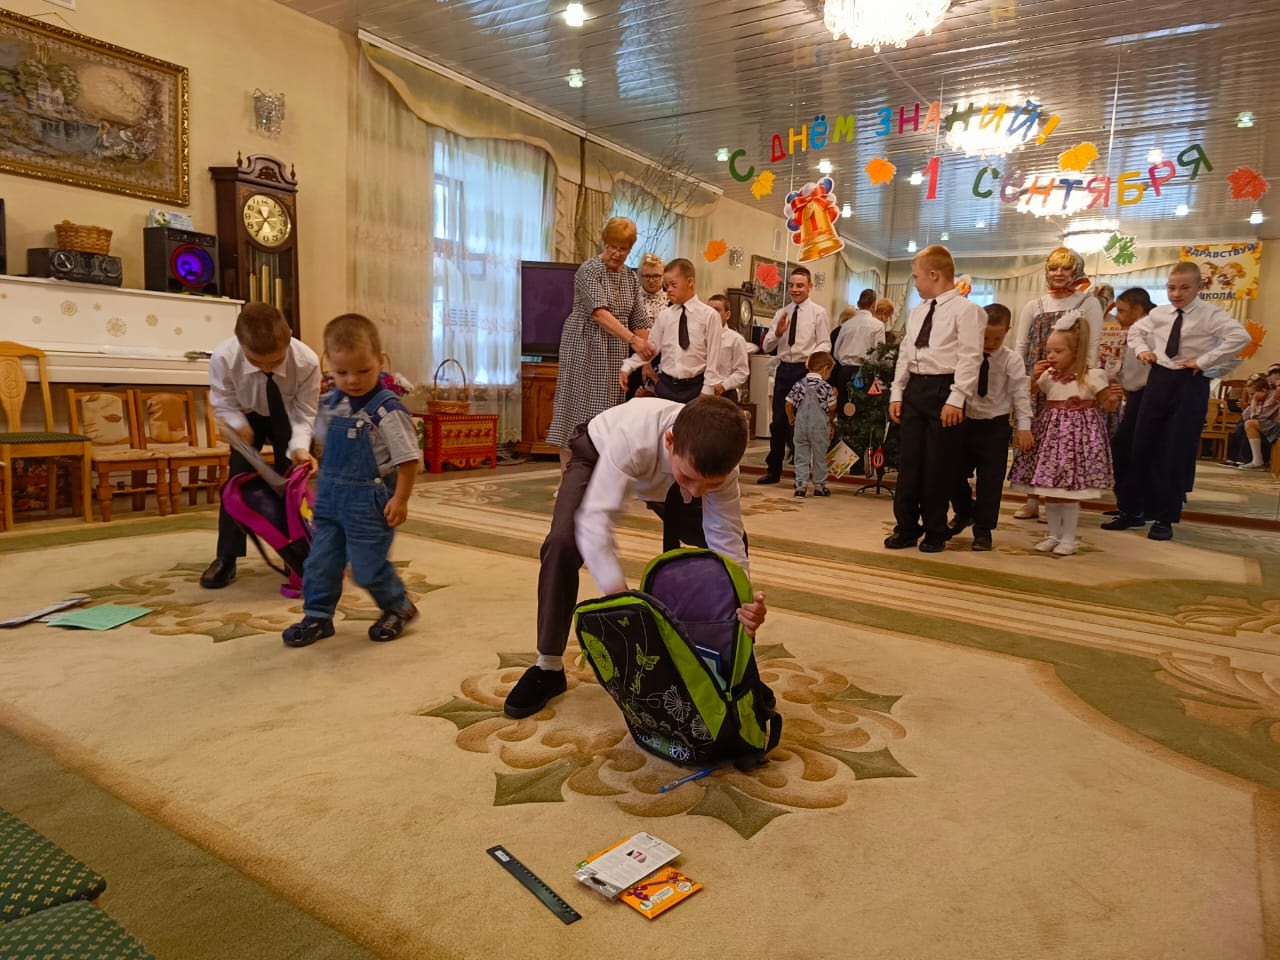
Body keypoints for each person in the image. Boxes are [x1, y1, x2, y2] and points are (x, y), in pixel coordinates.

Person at [502, 396, 767, 718]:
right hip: (600, 453)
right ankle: (548, 667)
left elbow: (725, 538)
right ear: (669, 441)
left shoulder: (716, 465)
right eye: (690, 478)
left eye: (712, 484)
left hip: (666, 475)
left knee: (731, 560)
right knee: (561, 543)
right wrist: (623, 604)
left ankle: (736, 667)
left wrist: (743, 602)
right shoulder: (632, 438)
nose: (697, 493)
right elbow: (595, 525)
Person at [281, 315, 420, 647]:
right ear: (328, 364)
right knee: (320, 562)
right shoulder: (332, 404)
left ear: (380, 362)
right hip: (330, 501)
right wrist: (305, 454)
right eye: (342, 372)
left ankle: (398, 606)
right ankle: (318, 616)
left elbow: (408, 459)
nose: (353, 380)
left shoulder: (387, 411)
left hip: (368, 506)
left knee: (366, 567)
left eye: (363, 370)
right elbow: (317, 438)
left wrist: (400, 499)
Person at [1114, 262, 1251, 541]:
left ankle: (1165, 518)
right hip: (1159, 379)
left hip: (1190, 381)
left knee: (1175, 451)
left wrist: (1204, 361)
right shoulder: (1160, 314)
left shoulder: (1211, 315)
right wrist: (1142, 351)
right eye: (1171, 288)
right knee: (1142, 445)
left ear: (1199, 287)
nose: (1176, 294)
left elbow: (1240, 337)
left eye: (1184, 288)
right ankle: (1132, 510)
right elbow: (1135, 332)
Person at [201, 303, 321, 589]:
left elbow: (304, 412)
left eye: (276, 361)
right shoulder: (224, 357)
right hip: (246, 416)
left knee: (292, 486)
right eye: (257, 363)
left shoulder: (307, 361)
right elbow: (224, 401)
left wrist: (300, 448)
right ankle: (226, 557)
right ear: (240, 343)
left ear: (289, 336)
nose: (267, 368)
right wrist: (238, 425)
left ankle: (296, 553)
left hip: (288, 416)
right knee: (236, 484)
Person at [886, 245, 986, 552]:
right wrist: (897, 392)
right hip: (916, 388)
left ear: (934, 274)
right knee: (909, 463)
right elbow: (906, 353)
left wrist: (957, 398)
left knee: (937, 465)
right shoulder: (918, 311)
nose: (914, 282)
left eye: (916, 276)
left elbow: (970, 357)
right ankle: (906, 527)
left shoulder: (967, 311)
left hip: (945, 388)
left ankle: (935, 529)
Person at [546, 217, 656, 471]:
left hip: (614, 351)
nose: (617, 253)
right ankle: (568, 479)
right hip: (584, 345)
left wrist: (644, 361)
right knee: (577, 410)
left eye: (623, 248)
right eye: (612, 246)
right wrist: (633, 340)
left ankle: (598, 477)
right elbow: (598, 313)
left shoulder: (630, 278)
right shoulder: (589, 270)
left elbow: (640, 321)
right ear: (604, 243)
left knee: (608, 414)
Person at [1008, 315, 1116, 556]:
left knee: (1068, 493)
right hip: (1051, 438)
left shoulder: (1092, 375)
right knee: (1051, 491)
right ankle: (1053, 535)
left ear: (1076, 351)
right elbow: (1028, 392)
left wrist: (1113, 397)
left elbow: (1108, 404)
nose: (1051, 356)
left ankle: (1069, 538)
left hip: (1077, 440)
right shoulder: (1048, 376)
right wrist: (1033, 377)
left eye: (1058, 351)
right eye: (1049, 350)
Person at [1010, 248, 1103, 521]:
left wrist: (1084, 378)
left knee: (1065, 443)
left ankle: (1061, 498)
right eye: (1053, 268)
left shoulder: (1088, 302)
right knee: (1033, 438)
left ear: (1076, 270)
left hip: (1072, 381)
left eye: (1065, 268)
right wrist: (1021, 379)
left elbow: (1093, 343)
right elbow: (1021, 345)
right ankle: (1031, 498)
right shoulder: (1035, 305)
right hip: (1039, 376)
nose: (1059, 273)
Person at [948, 304, 1033, 551]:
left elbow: (1020, 393)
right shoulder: (965, 355)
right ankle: (965, 510)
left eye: (997, 338)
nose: (990, 343)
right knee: (951, 471)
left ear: (1007, 331)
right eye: (985, 337)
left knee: (990, 482)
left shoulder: (1011, 359)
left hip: (995, 426)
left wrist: (1024, 426)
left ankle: (983, 531)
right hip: (964, 422)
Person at [757, 266, 831, 484]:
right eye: (791, 285)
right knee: (778, 421)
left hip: (804, 369)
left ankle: (803, 473)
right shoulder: (782, 313)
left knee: (804, 422)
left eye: (800, 285)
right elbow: (767, 345)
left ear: (810, 286)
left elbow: (825, 343)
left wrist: (813, 358)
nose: (795, 289)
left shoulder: (818, 313)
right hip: (784, 369)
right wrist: (778, 332)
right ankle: (774, 470)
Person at [618, 258, 720, 403]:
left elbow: (714, 358)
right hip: (666, 385)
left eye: (673, 285)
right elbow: (651, 348)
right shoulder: (665, 315)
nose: (669, 290)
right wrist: (628, 366)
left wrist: (707, 390)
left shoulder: (709, 316)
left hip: (695, 386)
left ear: (690, 282)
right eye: (666, 286)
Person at [1099, 288, 1155, 527]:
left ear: (1138, 309)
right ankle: (1128, 505)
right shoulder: (1135, 331)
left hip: (1145, 398)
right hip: (1135, 398)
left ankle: (1132, 510)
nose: (1118, 316)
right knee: (1124, 451)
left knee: (1128, 453)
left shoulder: (1146, 332)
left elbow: (1140, 372)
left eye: (1122, 311)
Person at [786, 351, 837, 498]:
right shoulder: (825, 387)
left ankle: (800, 486)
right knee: (820, 457)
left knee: (801, 456)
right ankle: (819, 486)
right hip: (819, 428)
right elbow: (832, 407)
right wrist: (835, 396)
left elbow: (788, 403)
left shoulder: (799, 384)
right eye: (830, 372)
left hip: (801, 426)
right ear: (825, 369)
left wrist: (791, 418)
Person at [832, 288, 886, 399]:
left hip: (845, 371)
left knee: (844, 404)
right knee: (863, 407)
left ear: (858, 304)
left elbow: (836, 352)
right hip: (865, 372)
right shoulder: (878, 325)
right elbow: (879, 352)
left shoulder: (846, 325)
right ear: (874, 305)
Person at [627, 253, 667, 399]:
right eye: (647, 276)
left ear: (663, 276)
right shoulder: (631, 299)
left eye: (656, 276)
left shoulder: (672, 300)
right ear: (639, 276)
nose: (651, 280)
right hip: (635, 358)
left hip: (664, 360)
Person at [706, 294, 751, 404]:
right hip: (701, 390)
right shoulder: (700, 336)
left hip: (724, 393)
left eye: (717, 310)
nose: (712, 314)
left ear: (727, 314)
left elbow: (742, 371)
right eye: (709, 310)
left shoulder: (736, 339)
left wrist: (723, 386)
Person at [1229, 376, 1279, 469]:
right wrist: (1249, 406)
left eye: (1252, 394)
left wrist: (1254, 402)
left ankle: (1256, 461)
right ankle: (1239, 458)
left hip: (1275, 425)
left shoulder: (1272, 398)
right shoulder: (1260, 398)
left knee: (1249, 424)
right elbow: (1245, 417)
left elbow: (1259, 417)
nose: (1251, 397)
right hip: (1267, 425)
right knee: (1243, 425)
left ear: (1264, 390)